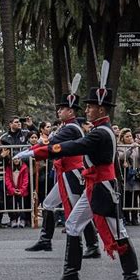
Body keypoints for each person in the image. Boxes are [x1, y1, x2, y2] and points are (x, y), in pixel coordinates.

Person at [16, 85, 140, 280]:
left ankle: (132, 277)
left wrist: (37, 153)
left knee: (119, 232)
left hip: (103, 188)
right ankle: (71, 273)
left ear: (101, 110)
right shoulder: (100, 130)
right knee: (73, 224)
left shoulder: (100, 133)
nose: (87, 110)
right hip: (94, 186)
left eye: (91, 107)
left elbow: (73, 147)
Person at [23, 90, 100, 259]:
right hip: (66, 171)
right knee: (49, 204)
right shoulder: (67, 127)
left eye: (62, 109)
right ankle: (45, 239)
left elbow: (52, 144)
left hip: (73, 172)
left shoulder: (71, 128)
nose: (59, 111)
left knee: (78, 210)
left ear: (70, 111)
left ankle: (93, 245)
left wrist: (30, 151)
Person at [5, 158, 30, 228]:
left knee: (23, 205)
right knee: (12, 205)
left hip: (22, 190)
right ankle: (13, 219)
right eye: (15, 159)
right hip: (12, 190)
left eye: (18, 159)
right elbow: (7, 180)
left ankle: (22, 219)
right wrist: (12, 190)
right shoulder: (9, 168)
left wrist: (21, 190)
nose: (16, 160)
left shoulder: (24, 167)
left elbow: (26, 180)